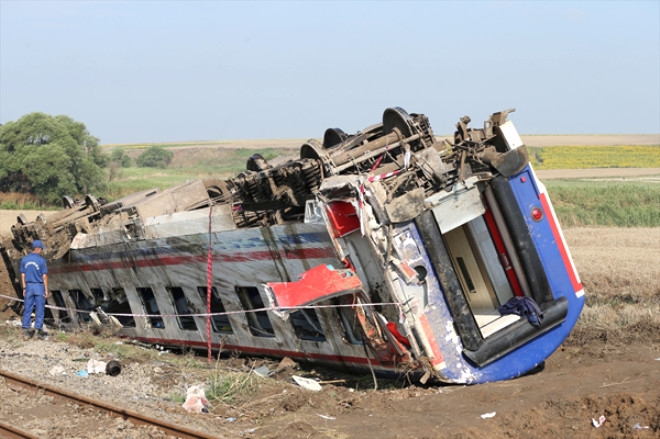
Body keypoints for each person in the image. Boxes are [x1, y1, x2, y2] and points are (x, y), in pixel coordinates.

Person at [20, 239, 49, 339]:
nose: (41, 251)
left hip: (28, 286)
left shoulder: (24, 260)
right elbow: (44, 277)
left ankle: (25, 333)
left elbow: (23, 275)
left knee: (27, 309)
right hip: (39, 286)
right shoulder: (42, 261)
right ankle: (37, 333)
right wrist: (46, 290)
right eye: (41, 249)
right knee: (40, 309)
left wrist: (24, 287)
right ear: (37, 249)